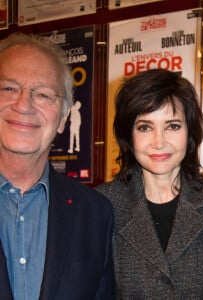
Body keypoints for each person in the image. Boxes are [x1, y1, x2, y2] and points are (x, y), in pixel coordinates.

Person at [0, 32, 115, 300]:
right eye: (8, 88)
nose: (24, 105)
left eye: (43, 94)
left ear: (63, 118)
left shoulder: (96, 214)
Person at [96, 69, 203, 299]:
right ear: (128, 136)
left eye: (173, 126)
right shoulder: (102, 205)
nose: (159, 142)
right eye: (145, 127)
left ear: (189, 133)